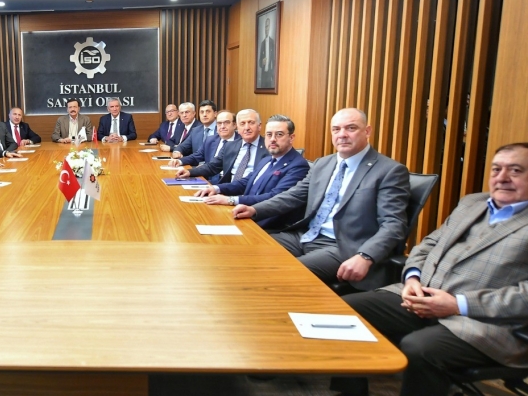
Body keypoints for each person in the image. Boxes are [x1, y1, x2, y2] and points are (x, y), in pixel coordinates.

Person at [335, 143, 528, 396]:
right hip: (420, 295)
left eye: (515, 170)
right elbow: (428, 244)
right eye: (496, 169)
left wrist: (458, 304)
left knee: (419, 348)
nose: (502, 178)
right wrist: (412, 277)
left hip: (485, 322)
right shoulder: (473, 203)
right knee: (346, 310)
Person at [232, 108, 410, 290]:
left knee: (283, 273)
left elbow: (393, 224)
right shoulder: (323, 163)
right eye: (336, 129)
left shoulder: (389, 171)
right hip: (304, 236)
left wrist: (365, 256)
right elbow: (293, 195)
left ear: (367, 131)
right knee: (246, 250)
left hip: (342, 246)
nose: (342, 135)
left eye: (351, 128)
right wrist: (255, 209)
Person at [194, 115, 310, 231]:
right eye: (269, 134)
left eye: (279, 134)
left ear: (291, 138)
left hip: (265, 224)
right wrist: (216, 188)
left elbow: (274, 197)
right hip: (244, 214)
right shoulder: (267, 159)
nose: (273, 139)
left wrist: (231, 200)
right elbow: (245, 182)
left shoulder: (298, 165)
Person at [176, 108, 268, 185]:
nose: (247, 127)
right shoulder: (231, 145)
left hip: (250, 195)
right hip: (227, 190)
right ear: (238, 127)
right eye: (242, 124)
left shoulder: (268, 148)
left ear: (259, 126)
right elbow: (213, 166)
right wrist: (189, 172)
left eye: (251, 123)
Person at [168, 110, 241, 183]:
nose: (222, 126)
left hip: (228, 183)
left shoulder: (241, 143)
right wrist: (179, 161)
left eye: (226, 123)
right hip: (208, 178)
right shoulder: (211, 140)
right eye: (219, 123)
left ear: (234, 125)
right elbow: (197, 156)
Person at [258, 17, 275, 88]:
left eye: (268, 26)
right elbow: (259, 63)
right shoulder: (262, 43)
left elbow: (274, 61)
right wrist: (262, 62)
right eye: (265, 26)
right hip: (263, 76)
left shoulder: (272, 42)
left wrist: (273, 75)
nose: (266, 28)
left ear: (270, 27)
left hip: (270, 75)